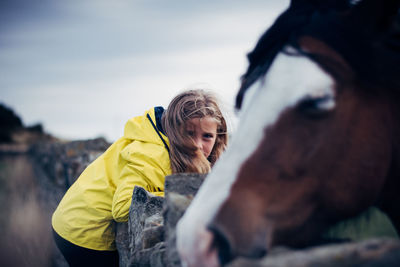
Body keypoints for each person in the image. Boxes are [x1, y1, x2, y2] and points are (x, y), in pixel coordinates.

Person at [51, 89, 228, 267]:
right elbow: (121, 207)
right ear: (174, 129)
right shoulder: (152, 155)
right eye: (189, 133)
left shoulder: (159, 139)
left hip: (71, 218)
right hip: (82, 232)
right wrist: (174, 197)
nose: (197, 145)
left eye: (207, 136)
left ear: (218, 137)